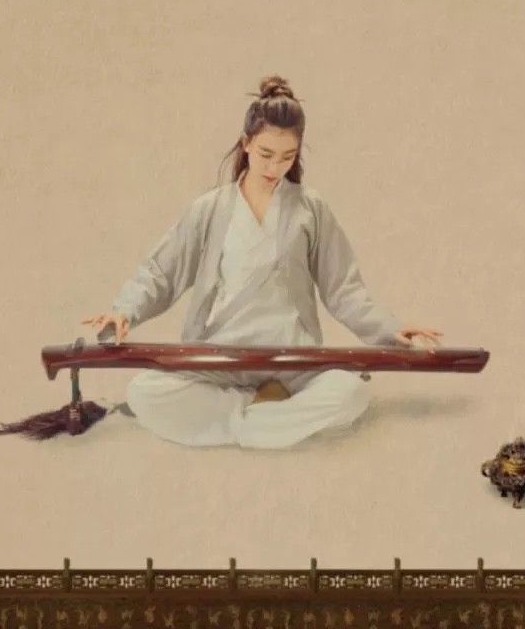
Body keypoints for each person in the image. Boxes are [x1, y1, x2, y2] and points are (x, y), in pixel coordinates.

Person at [82, 76, 443, 449]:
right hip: (220, 360)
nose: (275, 167)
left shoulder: (310, 209)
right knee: (145, 391)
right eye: (266, 154)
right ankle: (263, 418)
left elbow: (344, 290)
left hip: (293, 361)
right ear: (246, 143)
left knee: (350, 392)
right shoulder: (211, 208)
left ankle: (241, 422)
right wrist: (125, 311)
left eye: (288, 157)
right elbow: (161, 273)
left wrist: (391, 329)